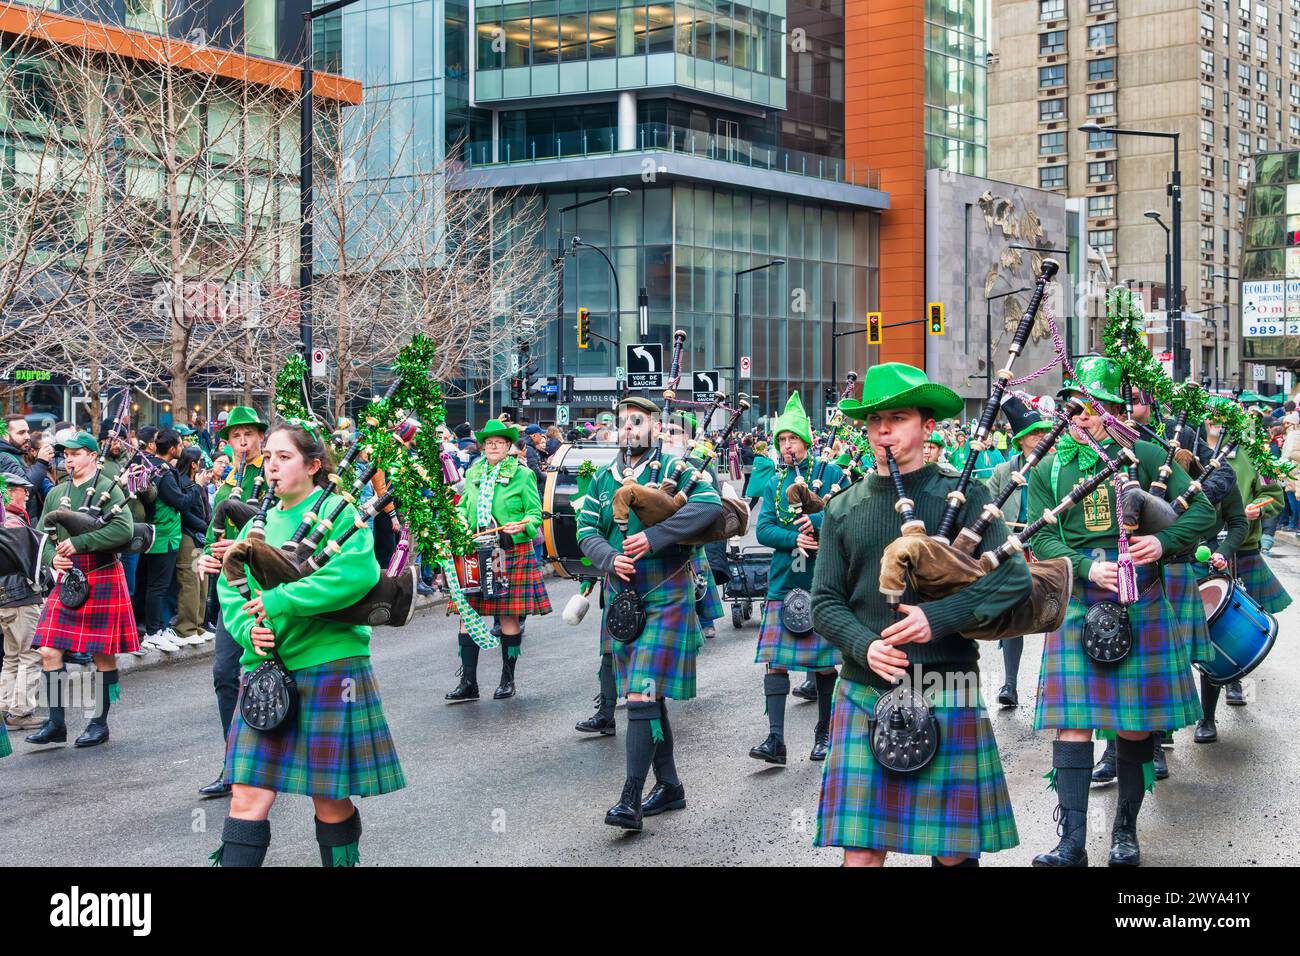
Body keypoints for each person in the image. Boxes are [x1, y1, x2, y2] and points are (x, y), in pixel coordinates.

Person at [810, 363, 1032, 867]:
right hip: (866, 685)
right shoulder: (843, 507)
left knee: (952, 853)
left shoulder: (966, 495)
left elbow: (1014, 579)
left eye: (899, 417)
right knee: (862, 854)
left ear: (928, 427)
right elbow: (824, 600)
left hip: (946, 680)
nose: (884, 429)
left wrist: (939, 617)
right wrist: (863, 644)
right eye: (875, 420)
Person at [1027, 356, 1213, 867]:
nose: (1079, 416)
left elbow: (1202, 511)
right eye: (1072, 406)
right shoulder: (1049, 466)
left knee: (1133, 725)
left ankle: (1125, 833)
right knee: (1072, 724)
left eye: (1089, 407)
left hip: (1141, 600)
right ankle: (1072, 844)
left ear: (1112, 411)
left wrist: (1162, 541)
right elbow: (1039, 535)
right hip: (1080, 601)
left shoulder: (1148, 456)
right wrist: (1086, 567)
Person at [208, 421, 404, 867]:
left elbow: (356, 576)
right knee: (247, 794)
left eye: (284, 457)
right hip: (267, 668)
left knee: (328, 797)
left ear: (313, 465)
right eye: (269, 458)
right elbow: (232, 584)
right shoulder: (258, 524)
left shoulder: (340, 514)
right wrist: (246, 630)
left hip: (329, 665)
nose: (272, 467)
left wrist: (279, 601)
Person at [576, 395, 723, 830]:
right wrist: (608, 558)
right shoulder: (603, 479)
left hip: (665, 590)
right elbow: (586, 531)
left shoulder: (676, 471)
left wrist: (655, 537)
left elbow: (710, 509)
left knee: (640, 691)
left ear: (656, 428)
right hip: (623, 597)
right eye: (622, 422)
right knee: (646, 695)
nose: (627, 428)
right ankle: (671, 786)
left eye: (637, 421)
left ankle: (630, 799)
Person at [25, 432, 140, 748]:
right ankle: (56, 723)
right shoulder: (56, 492)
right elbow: (42, 536)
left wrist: (79, 543)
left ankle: (99, 722)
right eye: (66, 455)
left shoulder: (109, 488)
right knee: (48, 649)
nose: (68, 459)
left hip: (102, 571)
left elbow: (123, 529)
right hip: (68, 578)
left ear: (91, 454)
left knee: (104, 654)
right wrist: (52, 558)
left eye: (75, 453)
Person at [751, 393, 842, 765]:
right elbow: (764, 531)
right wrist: (795, 539)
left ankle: (824, 734)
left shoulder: (830, 474)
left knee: (822, 662)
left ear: (806, 441)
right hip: (783, 581)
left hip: (821, 581)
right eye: (782, 440)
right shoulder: (774, 483)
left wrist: (817, 524)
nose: (788, 446)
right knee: (776, 661)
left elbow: (845, 515)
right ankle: (775, 740)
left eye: (793, 439)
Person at [445, 419, 552, 703]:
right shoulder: (473, 471)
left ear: (508, 446)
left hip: (508, 551)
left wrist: (523, 526)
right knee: (467, 616)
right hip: (473, 550)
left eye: (499, 443)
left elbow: (534, 513)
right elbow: (465, 506)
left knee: (506, 615)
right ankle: (468, 682)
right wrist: (457, 525)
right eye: (489, 443)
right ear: (483, 446)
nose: (493, 447)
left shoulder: (522, 474)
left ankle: (507, 679)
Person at [198, 405, 268, 799]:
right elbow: (212, 535)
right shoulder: (226, 484)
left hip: (269, 589)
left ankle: (278, 756)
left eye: (248, 435)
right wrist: (208, 555)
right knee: (225, 674)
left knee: (278, 673)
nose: (242, 442)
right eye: (235, 436)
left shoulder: (272, 473)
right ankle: (235, 762)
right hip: (233, 593)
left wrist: (242, 544)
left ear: (260, 436)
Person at [984, 395, 1054, 709]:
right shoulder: (1002, 471)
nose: (1041, 437)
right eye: (1034, 433)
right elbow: (987, 509)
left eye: (1044, 432)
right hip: (1012, 549)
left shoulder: (1056, 467)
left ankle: (1052, 685)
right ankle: (1009, 684)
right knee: (1013, 616)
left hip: (1048, 546)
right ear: (1021, 439)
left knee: (1054, 615)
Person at [660, 410, 725, 642]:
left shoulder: (700, 465)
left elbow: (712, 504)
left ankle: (705, 619)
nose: (667, 436)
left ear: (689, 439)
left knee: (698, 574)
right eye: (666, 431)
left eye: (674, 432)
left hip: (691, 531)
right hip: (661, 531)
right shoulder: (658, 464)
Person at [0, 474, 44, 732]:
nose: (26, 495)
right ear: (7, 493)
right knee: (30, 653)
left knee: (12, 655)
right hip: (20, 596)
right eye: (21, 490)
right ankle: (21, 712)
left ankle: (5, 706)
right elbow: (33, 561)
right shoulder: (12, 523)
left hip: (5, 598)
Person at [139, 429, 187, 652]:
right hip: (162, 535)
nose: (182, 447)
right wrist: (194, 492)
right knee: (157, 586)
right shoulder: (163, 473)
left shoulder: (151, 466)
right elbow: (179, 501)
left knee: (160, 585)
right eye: (180, 444)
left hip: (160, 534)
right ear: (172, 449)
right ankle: (152, 632)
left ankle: (160, 627)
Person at [173, 446, 213, 646]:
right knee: (190, 582)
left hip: (200, 537)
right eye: (201, 463)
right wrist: (207, 527)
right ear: (194, 463)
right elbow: (185, 512)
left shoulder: (198, 483)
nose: (204, 468)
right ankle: (186, 628)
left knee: (201, 580)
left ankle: (198, 625)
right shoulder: (183, 482)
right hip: (188, 536)